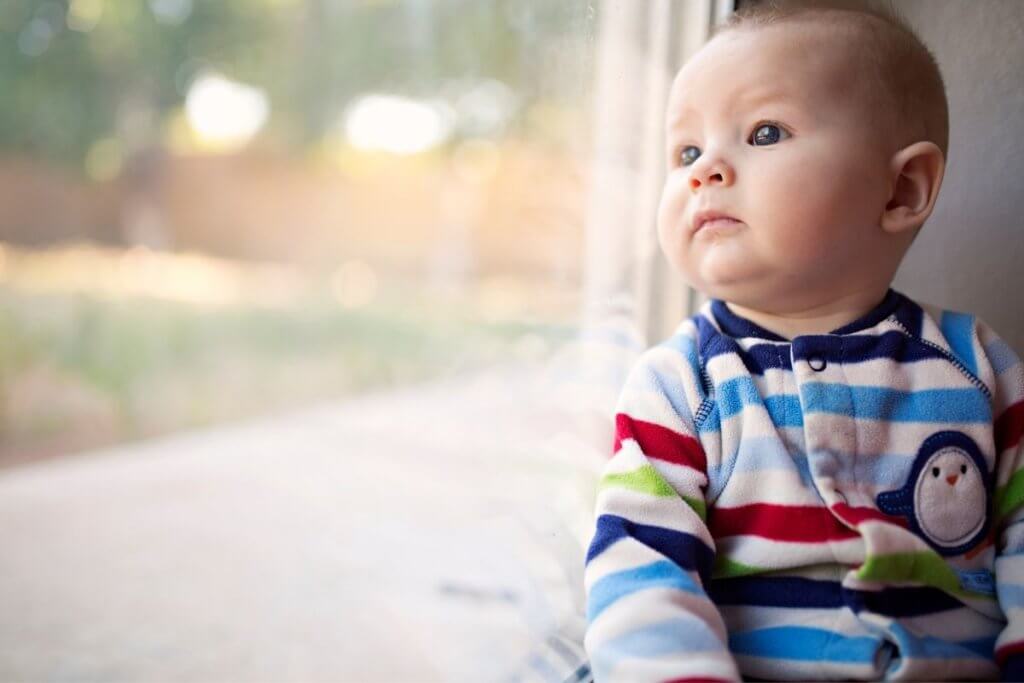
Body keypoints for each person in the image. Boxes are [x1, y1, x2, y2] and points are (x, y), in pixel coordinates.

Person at [582, 1, 1024, 680]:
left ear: (901, 188)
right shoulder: (679, 382)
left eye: (763, 132)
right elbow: (638, 571)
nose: (705, 171)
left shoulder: (976, 365)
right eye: (688, 151)